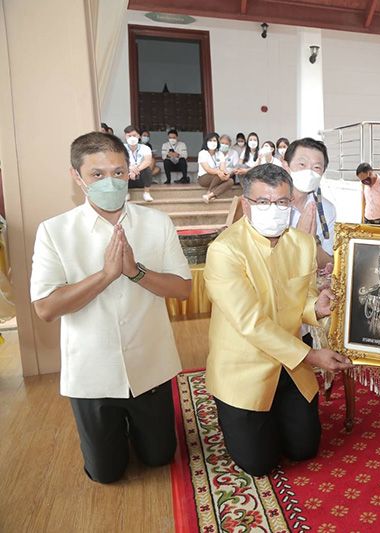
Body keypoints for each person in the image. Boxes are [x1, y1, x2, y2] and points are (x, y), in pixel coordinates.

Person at [29, 131, 192, 483]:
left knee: (160, 458)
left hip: (151, 365)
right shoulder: (55, 231)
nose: (110, 182)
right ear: (77, 178)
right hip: (93, 373)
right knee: (106, 474)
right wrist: (105, 276)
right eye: (97, 175)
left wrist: (135, 273)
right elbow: (45, 307)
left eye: (118, 172)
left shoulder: (156, 222)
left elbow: (182, 290)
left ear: (130, 170)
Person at [203, 163, 352, 476]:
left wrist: (317, 307)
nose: (274, 209)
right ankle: (231, 413)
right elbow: (251, 323)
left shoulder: (301, 243)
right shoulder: (225, 251)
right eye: (263, 202)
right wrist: (312, 355)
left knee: (304, 449)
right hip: (245, 368)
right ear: (246, 205)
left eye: (282, 202)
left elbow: (301, 299)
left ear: (291, 203)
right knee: (259, 464)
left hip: (290, 364)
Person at [285, 137, 337, 268]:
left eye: (317, 167)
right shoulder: (269, 203)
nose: (309, 172)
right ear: (286, 166)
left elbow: (328, 261)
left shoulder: (326, 209)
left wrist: (312, 242)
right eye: (302, 165)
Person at [197, 132, 233, 203]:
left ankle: (210, 195)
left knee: (230, 181)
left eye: (214, 141)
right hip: (203, 178)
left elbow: (223, 168)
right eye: (210, 141)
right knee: (217, 175)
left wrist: (226, 174)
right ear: (206, 142)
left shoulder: (220, 154)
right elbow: (207, 169)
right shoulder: (202, 153)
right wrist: (219, 172)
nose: (212, 142)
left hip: (217, 177)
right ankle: (209, 192)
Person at [122, 125, 154, 202]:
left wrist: (135, 170)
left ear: (139, 136)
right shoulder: (121, 148)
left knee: (147, 169)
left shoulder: (145, 148)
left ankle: (146, 193)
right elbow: (119, 161)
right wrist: (130, 168)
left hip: (141, 178)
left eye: (134, 135)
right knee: (120, 169)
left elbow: (147, 161)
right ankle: (125, 193)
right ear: (125, 137)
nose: (132, 138)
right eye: (129, 136)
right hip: (127, 178)